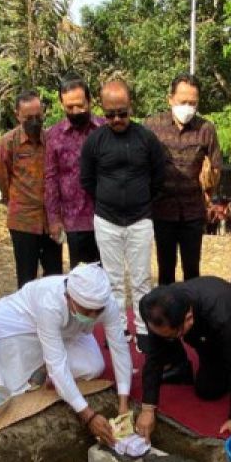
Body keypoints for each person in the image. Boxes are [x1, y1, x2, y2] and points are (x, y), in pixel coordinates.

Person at [0, 263, 132, 445]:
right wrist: (88, 415)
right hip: (24, 321)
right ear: (69, 298)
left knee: (95, 366)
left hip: (68, 333)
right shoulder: (49, 303)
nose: (92, 316)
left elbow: (120, 349)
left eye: (97, 312)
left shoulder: (107, 304)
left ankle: (47, 368)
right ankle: (46, 368)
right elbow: (58, 365)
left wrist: (124, 403)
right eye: (86, 310)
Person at [80, 80, 165, 348]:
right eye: (110, 114)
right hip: (106, 220)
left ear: (131, 107)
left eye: (122, 113)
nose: (117, 119)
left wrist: (139, 200)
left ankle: (143, 331)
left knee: (141, 280)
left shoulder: (146, 138)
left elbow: (158, 177)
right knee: (113, 281)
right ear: (102, 111)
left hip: (140, 219)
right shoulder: (95, 140)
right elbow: (87, 180)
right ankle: (117, 331)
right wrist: (110, 199)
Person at [136, 278, 231, 442]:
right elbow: (154, 356)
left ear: (188, 318)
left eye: (172, 335)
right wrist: (147, 407)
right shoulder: (155, 308)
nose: (165, 340)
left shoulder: (224, 319)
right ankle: (182, 367)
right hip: (199, 328)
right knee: (165, 343)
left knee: (211, 387)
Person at [144, 73, 223, 286]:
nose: (187, 107)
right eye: (182, 102)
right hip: (161, 211)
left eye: (193, 103)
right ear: (170, 99)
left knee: (192, 271)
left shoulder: (206, 129)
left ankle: (192, 316)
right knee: (165, 271)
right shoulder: (151, 127)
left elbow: (216, 166)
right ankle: (167, 318)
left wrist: (210, 192)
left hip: (193, 213)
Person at [0, 89, 62, 288]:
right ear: (17, 115)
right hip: (23, 221)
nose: (34, 121)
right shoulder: (7, 144)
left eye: (38, 116)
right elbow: (3, 180)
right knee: (26, 278)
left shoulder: (51, 140)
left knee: (55, 276)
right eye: (28, 117)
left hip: (51, 221)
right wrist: (16, 201)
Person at [45, 77, 105, 268]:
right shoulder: (54, 136)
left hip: (106, 218)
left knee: (108, 278)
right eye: (69, 107)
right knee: (81, 280)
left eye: (80, 106)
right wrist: (54, 219)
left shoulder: (105, 130)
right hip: (74, 221)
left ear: (90, 101)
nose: (75, 112)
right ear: (62, 104)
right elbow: (51, 178)